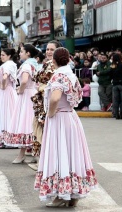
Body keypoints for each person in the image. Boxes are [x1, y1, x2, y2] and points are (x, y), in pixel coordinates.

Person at [34, 47, 97, 207]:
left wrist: (50, 113)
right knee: (71, 154)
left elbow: (55, 98)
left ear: (54, 60)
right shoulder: (71, 74)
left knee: (59, 153)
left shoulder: (59, 75)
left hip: (59, 118)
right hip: (70, 117)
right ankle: (73, 194)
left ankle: (61, 195)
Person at [3, 44, 38, 163]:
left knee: (25, 123)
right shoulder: (34, 64)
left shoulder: (27, 65)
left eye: (22, 51)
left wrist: (20, 90)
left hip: (27, 94)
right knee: (31, 123)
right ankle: (33, 153)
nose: (19, 53)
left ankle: (22, 154)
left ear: (28, 53)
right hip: (33, 92)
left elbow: (24, 81)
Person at [30, 40, 62, 170]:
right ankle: (42, 163)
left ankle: (47, 164)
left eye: (52, 49)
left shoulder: (56, 66)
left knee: (46, 131)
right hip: (40, 100)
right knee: (40, 130)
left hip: (47, 100)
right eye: (47, 49)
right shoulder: (46, 64)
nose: (48, 52)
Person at [0, 48, 17, 148]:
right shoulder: (13, 64)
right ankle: (10, 137)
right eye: (1, 55)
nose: (1, 56)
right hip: (10, 91)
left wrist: (3, 85)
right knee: (9, 113)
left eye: (3, 55)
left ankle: (3, 138)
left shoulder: (6, 65)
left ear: (9, 56)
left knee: (4, 113)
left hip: (5, 91)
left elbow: (5, 77)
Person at [110, 53, 122, 119]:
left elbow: (110, 74)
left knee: (116, 100)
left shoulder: (112, 65)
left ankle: (116, 115)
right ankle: (121, 114)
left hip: (115, 84)